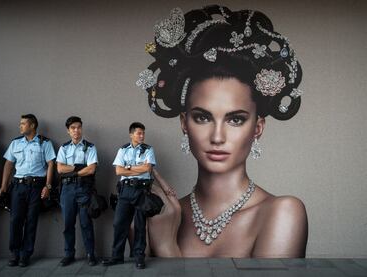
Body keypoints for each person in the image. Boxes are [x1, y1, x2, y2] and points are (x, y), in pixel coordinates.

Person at [135, 5, 308, 258]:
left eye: (235, 120)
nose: (217, 137)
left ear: (258, 128)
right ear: (184, 123)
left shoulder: (282, 213)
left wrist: (166, 248)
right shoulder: (162, 217)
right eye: (202, 117)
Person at [0, 114, 55, 267]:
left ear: (32, 125)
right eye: (20, 123)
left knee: (31, 221)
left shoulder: (45, 143)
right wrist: (3, 186)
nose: (20, 126)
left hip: (36, 186)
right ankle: (14, 253)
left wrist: (48, 186)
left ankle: (25, 255)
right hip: (18, 186)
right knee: (15, 220)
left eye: (23, 123)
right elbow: (8, 165)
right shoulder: (15, 143)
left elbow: (51, 165)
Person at [102, 122, 157, 269]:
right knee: (119, 223)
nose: (142, 136)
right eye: (139, 133)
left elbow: (147, 168)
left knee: (140, 225)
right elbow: (118, 172)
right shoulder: (123, 149)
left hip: (141, 191)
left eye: (143, 133)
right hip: (125, 191)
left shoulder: (148, 149)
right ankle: (117, 256)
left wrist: (128, 168)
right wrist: (136, 169)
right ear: (131, 134)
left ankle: (139, 257)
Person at [56, 116, 98, 267]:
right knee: (68, 223)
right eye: (73, 128)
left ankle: (90, 254)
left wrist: (72, 172)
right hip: (67, 189)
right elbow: (60, 169)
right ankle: (69, 254)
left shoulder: (90, 147)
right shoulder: (64, 148)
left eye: (79, 127)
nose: (76, 130)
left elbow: (91, 169)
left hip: (84, 188)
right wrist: (79, 168)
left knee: (86, 223)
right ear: (68, 131)